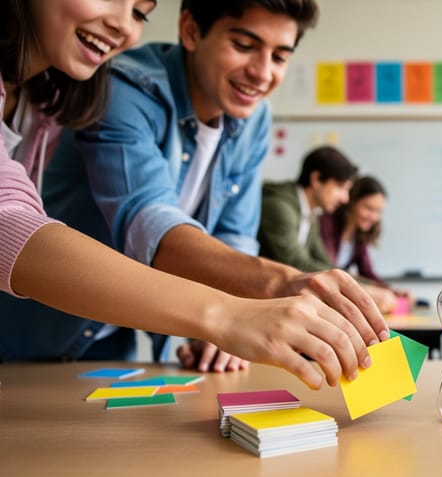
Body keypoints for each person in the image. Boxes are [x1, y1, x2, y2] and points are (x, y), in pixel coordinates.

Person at [0, 0, 389, 386]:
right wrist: (248, 302)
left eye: (139, 13)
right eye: (243, 45)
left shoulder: (44, 96)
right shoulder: (122, 86)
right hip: (34, 330)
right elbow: (151, 228)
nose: (261, 73)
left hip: (115, 333)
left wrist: (229, 321)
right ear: (189, 30)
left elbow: (235, 236)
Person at [258, 147, 399, 313]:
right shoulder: (279, 206)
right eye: (341, 187)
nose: (345, 198)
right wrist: (364, 291)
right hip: (259, 301)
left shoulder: (309, 214)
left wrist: (373, 288)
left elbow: (327, 265)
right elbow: (297, 262)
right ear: (316, 179)